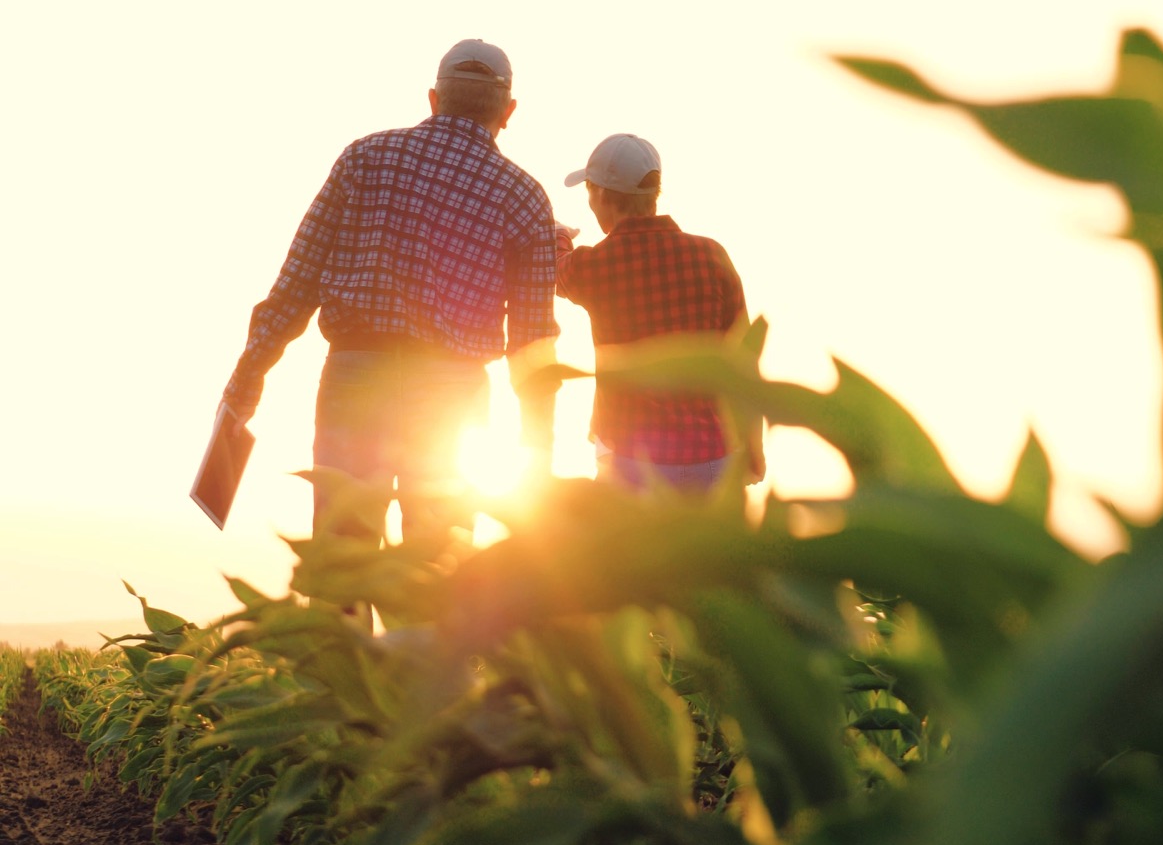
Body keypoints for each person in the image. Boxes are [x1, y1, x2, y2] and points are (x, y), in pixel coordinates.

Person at [218, 39, 567, 544]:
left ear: (433, 99)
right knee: (435, 573)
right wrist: (538, 453)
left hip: (356, 377)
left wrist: (246, 382)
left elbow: (295, 283)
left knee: (345, 560)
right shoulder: (524, 195)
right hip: (452, 393)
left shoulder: (363, 158)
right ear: (509, 111)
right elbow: (533, 342)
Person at [556, 133, 764, 491]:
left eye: (590, 189)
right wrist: (754, 448)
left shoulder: (595, 265)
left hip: (631, 461)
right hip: (713, 456)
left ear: (603, 194)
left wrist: (558, 236)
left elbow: (556, 269)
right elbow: (744, 360)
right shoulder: (712, 255)